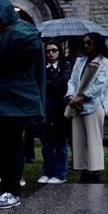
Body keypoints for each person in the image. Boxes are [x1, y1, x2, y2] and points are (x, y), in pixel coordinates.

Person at [0, 0, 45, 209]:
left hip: (16, 101)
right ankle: (5, 185)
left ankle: (12, 190)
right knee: (0, 147)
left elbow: (30, 56)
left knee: (12, 147)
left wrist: (0, 61)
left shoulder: (24, 31)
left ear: (4, 15)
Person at [66, 34, 108, 183]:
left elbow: (99, 84)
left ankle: (95, 172)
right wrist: (70, 96)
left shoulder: (104, 62)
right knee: (79, 139)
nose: (86, 45)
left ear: (97, 44)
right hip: (77, 105)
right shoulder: (80, 61)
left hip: (93, 104)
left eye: (90, 42)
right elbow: (73, 80)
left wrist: (83, 96)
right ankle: (84, 170)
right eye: (84, 43)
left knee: (93, 139)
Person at [37, 41, 72, 183]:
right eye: (48, 51)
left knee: (60, 143)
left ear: (59, 52)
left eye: (54, 50)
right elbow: (38, 83)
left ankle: (60, 173)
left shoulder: (66, 66)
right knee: (46, 143)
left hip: (60, 109)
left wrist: (49, 84)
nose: (51, 53)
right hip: (46, 108)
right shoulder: (42, 68)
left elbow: (62, 83)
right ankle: (47, 171)